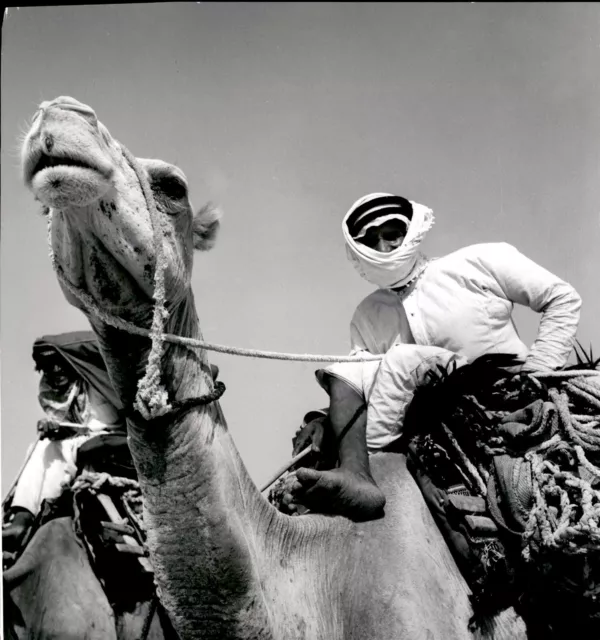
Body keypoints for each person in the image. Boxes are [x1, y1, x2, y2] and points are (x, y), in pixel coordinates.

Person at [291, 192, 582, 521]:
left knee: (401, 359)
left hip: (500, 390)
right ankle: (357, 476)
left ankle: (366, 472)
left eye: (393, 234)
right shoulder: (367, 315)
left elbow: (562, 298)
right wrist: (322, 419)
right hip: (422, 424)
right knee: (348, 368)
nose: (385, 246)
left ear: (410, 231)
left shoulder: (478, 262)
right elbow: (370, 384)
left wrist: (537, 373)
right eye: (372, 240)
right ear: (358, 249)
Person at [2, 332, 125, 552]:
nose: (55, 372)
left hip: (115, 437)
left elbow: (105, 422)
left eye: (59, 364)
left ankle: (40, 509)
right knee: (40, 446)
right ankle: (23, 515)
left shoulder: (97, 383)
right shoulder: (51, 391)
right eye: (48, 367)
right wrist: (52, 427)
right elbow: (67, 427)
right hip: (77, 442)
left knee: (62, 448)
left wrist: (64, 431)